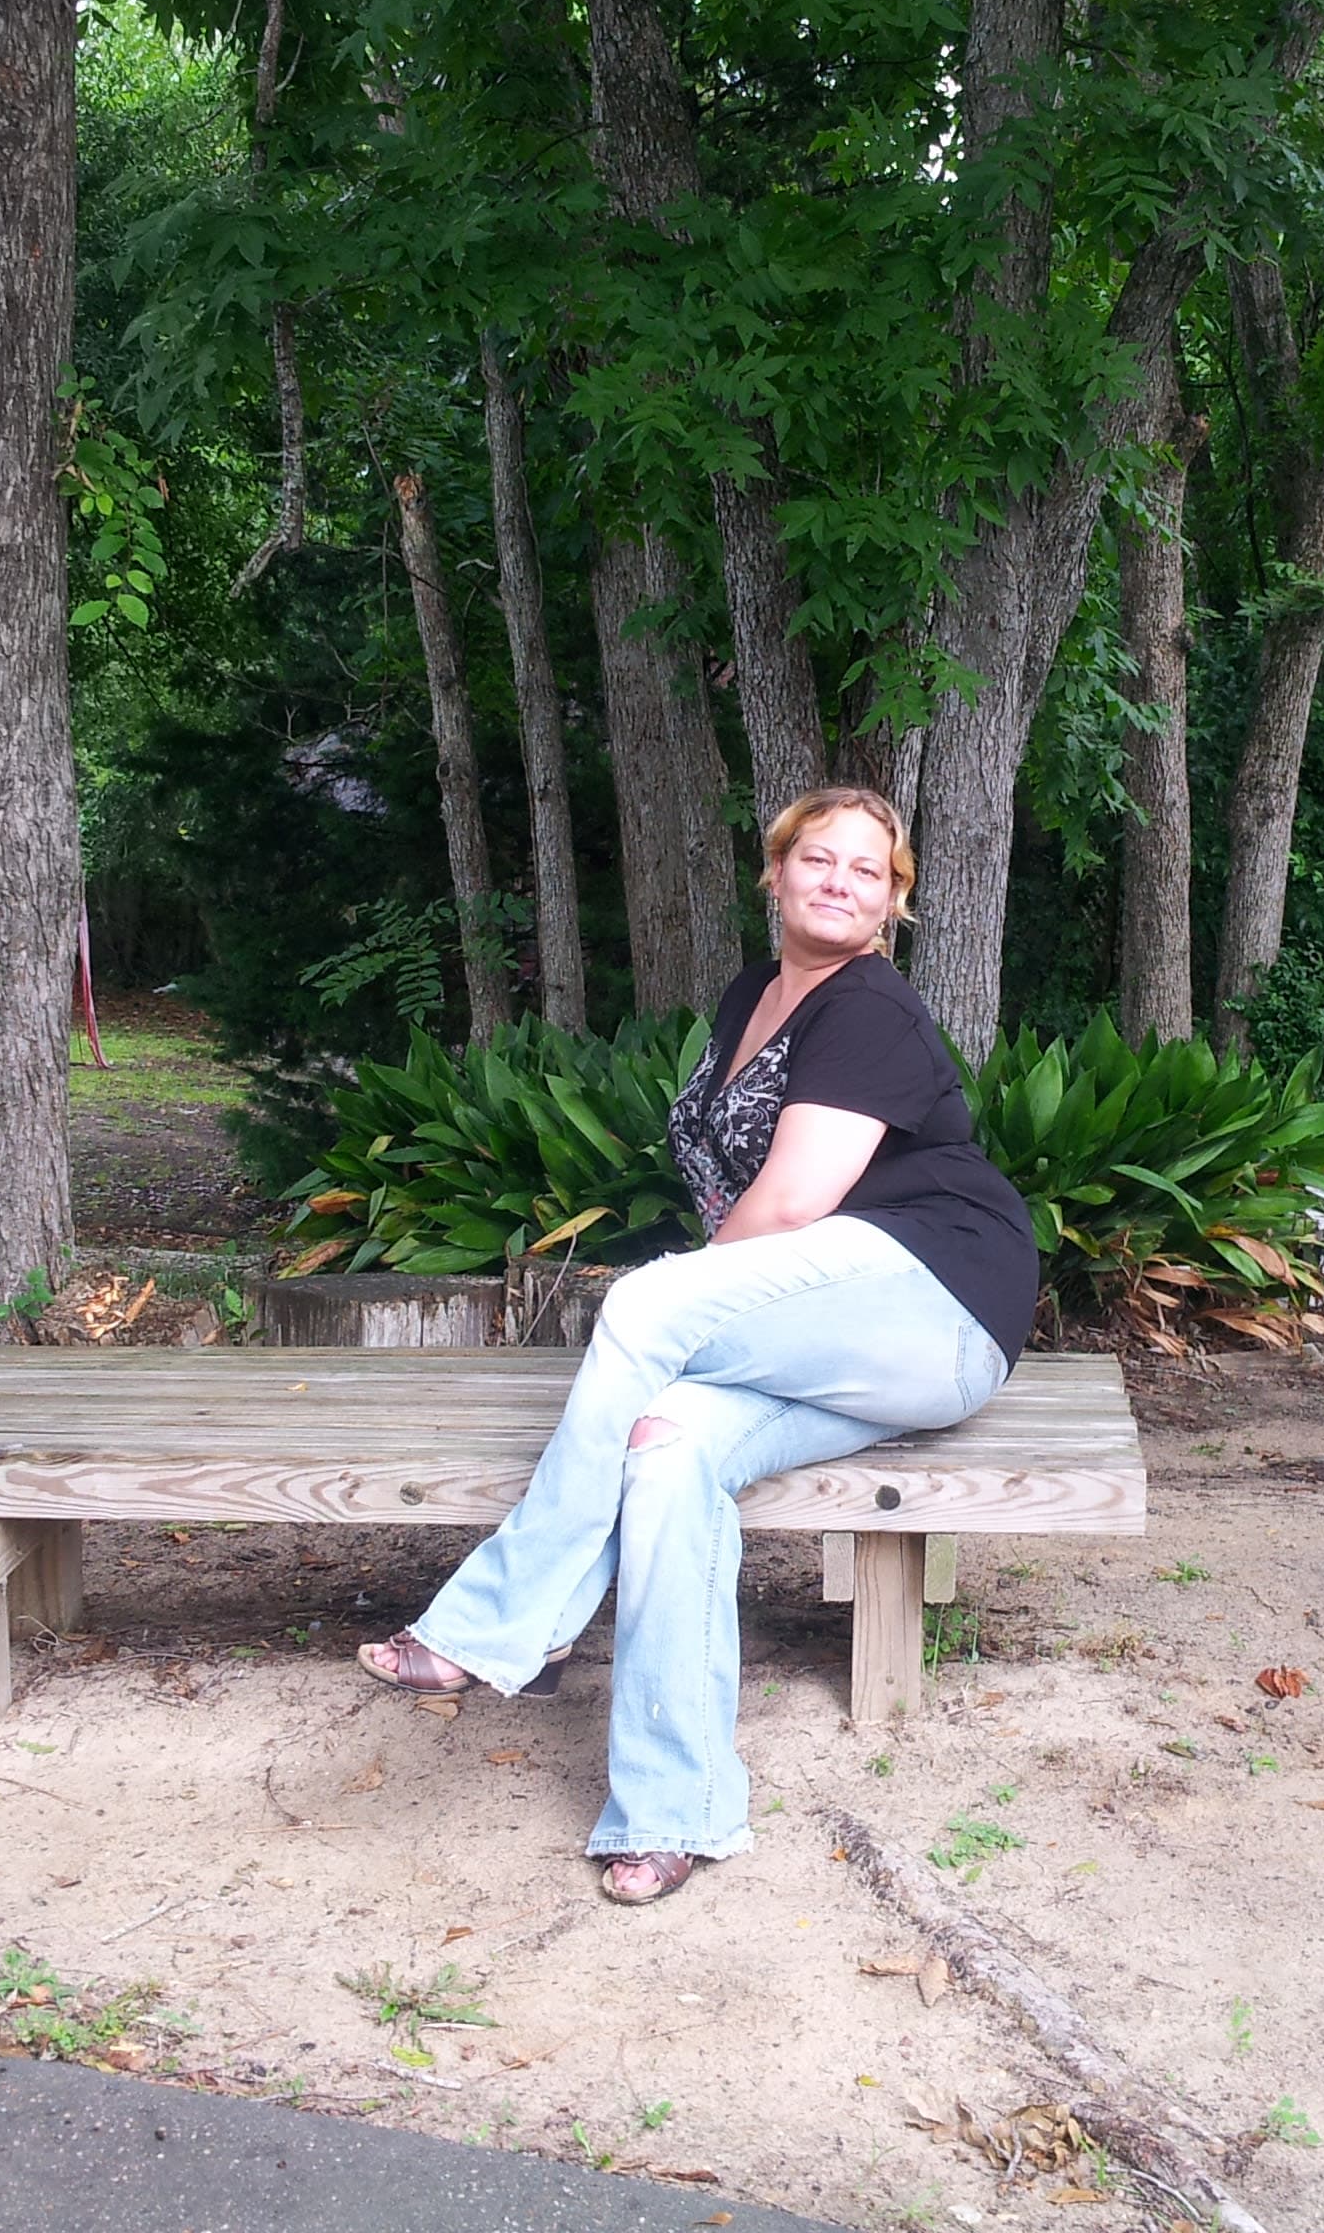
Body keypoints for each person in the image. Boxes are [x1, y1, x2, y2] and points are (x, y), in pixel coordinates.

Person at [357, 786, 1037, 1906]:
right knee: (665, 1451)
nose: (838, 881)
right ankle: (673, 1814)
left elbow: (787, 1206)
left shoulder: (870, 1010)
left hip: (935, 1299)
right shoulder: (752, 995)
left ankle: (500, 1626)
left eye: (867, 872)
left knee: (643, 1307)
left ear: (893, 906)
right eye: (817, 859)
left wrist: (669, 1309)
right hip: (839, 1339)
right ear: (773, 875)